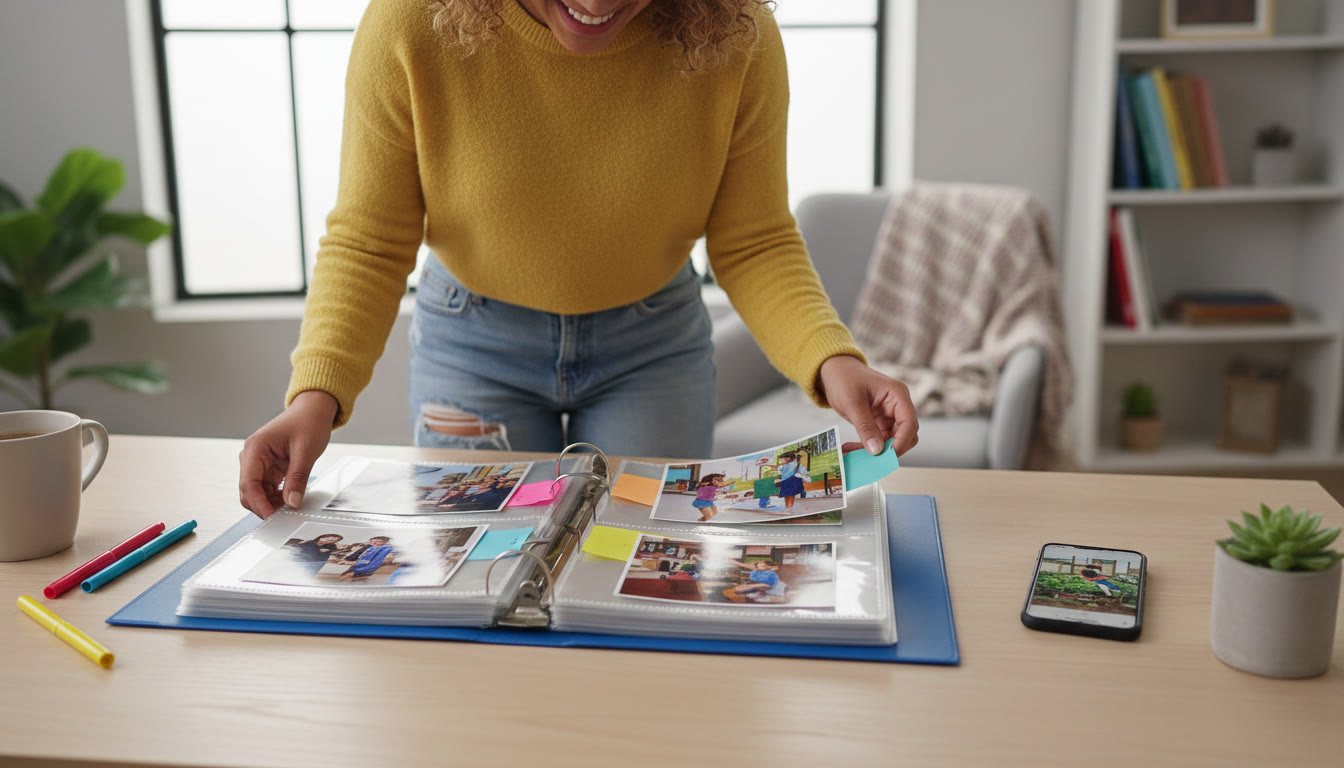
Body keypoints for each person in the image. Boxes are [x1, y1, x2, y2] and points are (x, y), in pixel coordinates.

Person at [238, 0, 919, 519]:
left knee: (649, 559)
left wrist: (835, 362)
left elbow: (754, 239)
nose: (595, 3)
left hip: (652, 350)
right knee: (482, 569)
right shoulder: (409, 23)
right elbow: (369, 237)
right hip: (474, 347)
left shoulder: (734, 33)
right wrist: (315, 397)